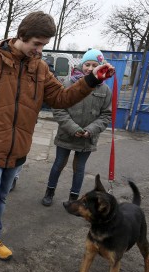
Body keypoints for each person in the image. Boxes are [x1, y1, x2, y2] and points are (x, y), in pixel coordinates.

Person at [0, 11, 115, 270]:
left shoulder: (39, 68)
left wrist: (92, 80)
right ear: (21, 36)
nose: (39, 50)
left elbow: (61, 98)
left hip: (19, 145)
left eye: (44, 45)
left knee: (2, 196)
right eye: (36, 44)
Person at [41, 49, 112, 207]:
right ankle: (49, 192)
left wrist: (90, 130)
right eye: (87, 64)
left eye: (95, 65)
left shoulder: (105, 90)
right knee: (59, 164)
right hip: (67, 134)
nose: (90, 68)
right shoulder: (68, 83)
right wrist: (73, 128)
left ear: (100, 67)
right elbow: (59, 108)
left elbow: (106, 115)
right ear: (82, 64)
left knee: (79, 168)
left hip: (87, 138)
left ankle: (74, 199)